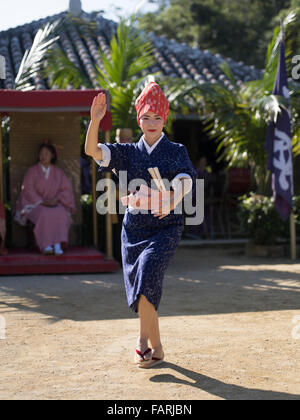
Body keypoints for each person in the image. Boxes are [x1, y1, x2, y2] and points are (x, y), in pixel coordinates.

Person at [85, 82, 197, 368]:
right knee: (144, 287)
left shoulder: (176, 149)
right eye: (146, 117)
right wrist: (95, 121)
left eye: (157, 118)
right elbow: (92, 150)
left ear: (165, 120)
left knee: (147, 272)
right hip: (133, 231)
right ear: (139, 120)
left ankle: (141, 342)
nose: (151, 123)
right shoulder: (128, 152)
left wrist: (173, 197)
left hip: (166, 228)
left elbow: (186, 179)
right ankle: (158, 348)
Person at [14, 141, 76, 256]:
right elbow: (28, 190)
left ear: (52, 155)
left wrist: (56, 199)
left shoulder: (58, 172)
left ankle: (57, 244)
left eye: (46, 154)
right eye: (41, 153)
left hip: (55, 203)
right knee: (44, 213)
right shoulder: (32, 171)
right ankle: (46, 245)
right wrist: (43, 202)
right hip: (36, 204)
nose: (43, 156)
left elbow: (66, 189)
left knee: (61, 212)